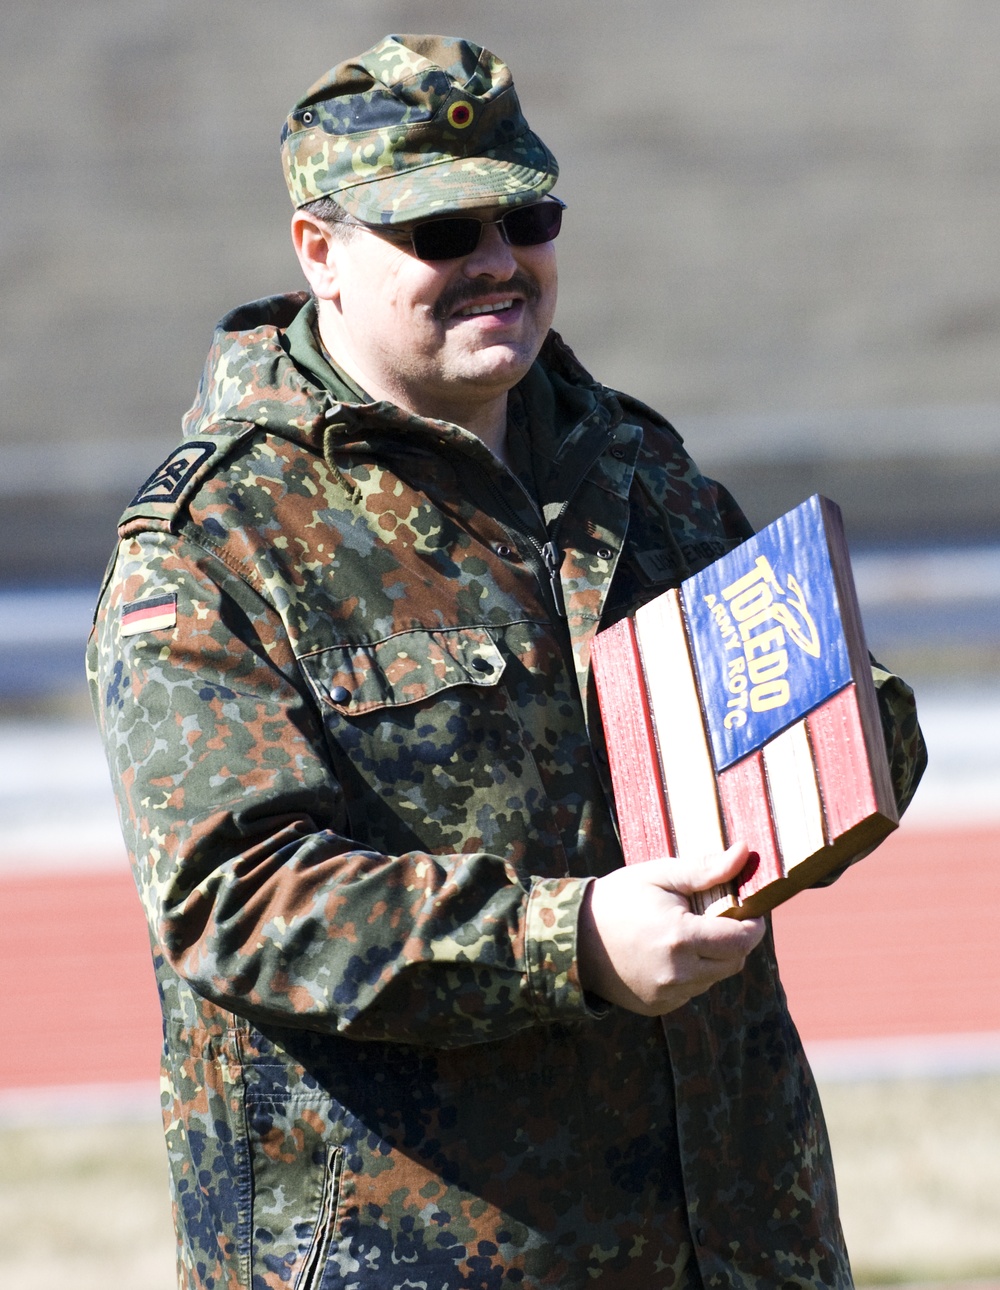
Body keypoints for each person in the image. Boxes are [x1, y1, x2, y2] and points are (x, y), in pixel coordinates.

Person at [88, 34, 925, 1290]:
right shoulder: (219, 540)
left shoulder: (637, 468)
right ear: (319, 250)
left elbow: (839, 737)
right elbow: (237, 900)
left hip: (738, 1237)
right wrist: (572, 938)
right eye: (438, 231)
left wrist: (849, 738)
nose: (495, 260)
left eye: (524, 214)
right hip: (423, 1256)